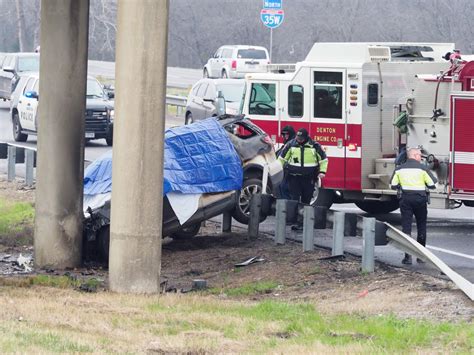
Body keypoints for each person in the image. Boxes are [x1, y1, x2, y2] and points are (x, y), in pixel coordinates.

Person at [390, 147, 437, 265]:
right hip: (420, 200)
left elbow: (393, 185)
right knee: (421, 225)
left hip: (405, 200)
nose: (421, 157)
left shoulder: (399, 169)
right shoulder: (423, 168)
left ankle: (407, 257)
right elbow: (432, 184)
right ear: (415, 155)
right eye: (420, 155)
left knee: (406, 227)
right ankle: (421, 257)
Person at [279, 128, 328, 229]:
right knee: (294, 199)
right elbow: (282, 159)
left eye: (301, 138)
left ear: (306, 137)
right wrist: (277, 170)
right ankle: (294, 221)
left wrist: (322, 172)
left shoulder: (315, 146)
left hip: (308, 178)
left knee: (306, 200)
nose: (299, 140)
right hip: (294, 177)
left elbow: (323, 160)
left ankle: (303, 222)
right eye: (298, 138)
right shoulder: (291, 145)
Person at [276, 125, 296, 199]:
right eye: (284, 135)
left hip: (289, 173)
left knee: (285, 191)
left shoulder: (292, 144)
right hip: (284, 172)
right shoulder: (287, 144)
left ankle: (288, 209)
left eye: (287, 134)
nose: (285, 137)